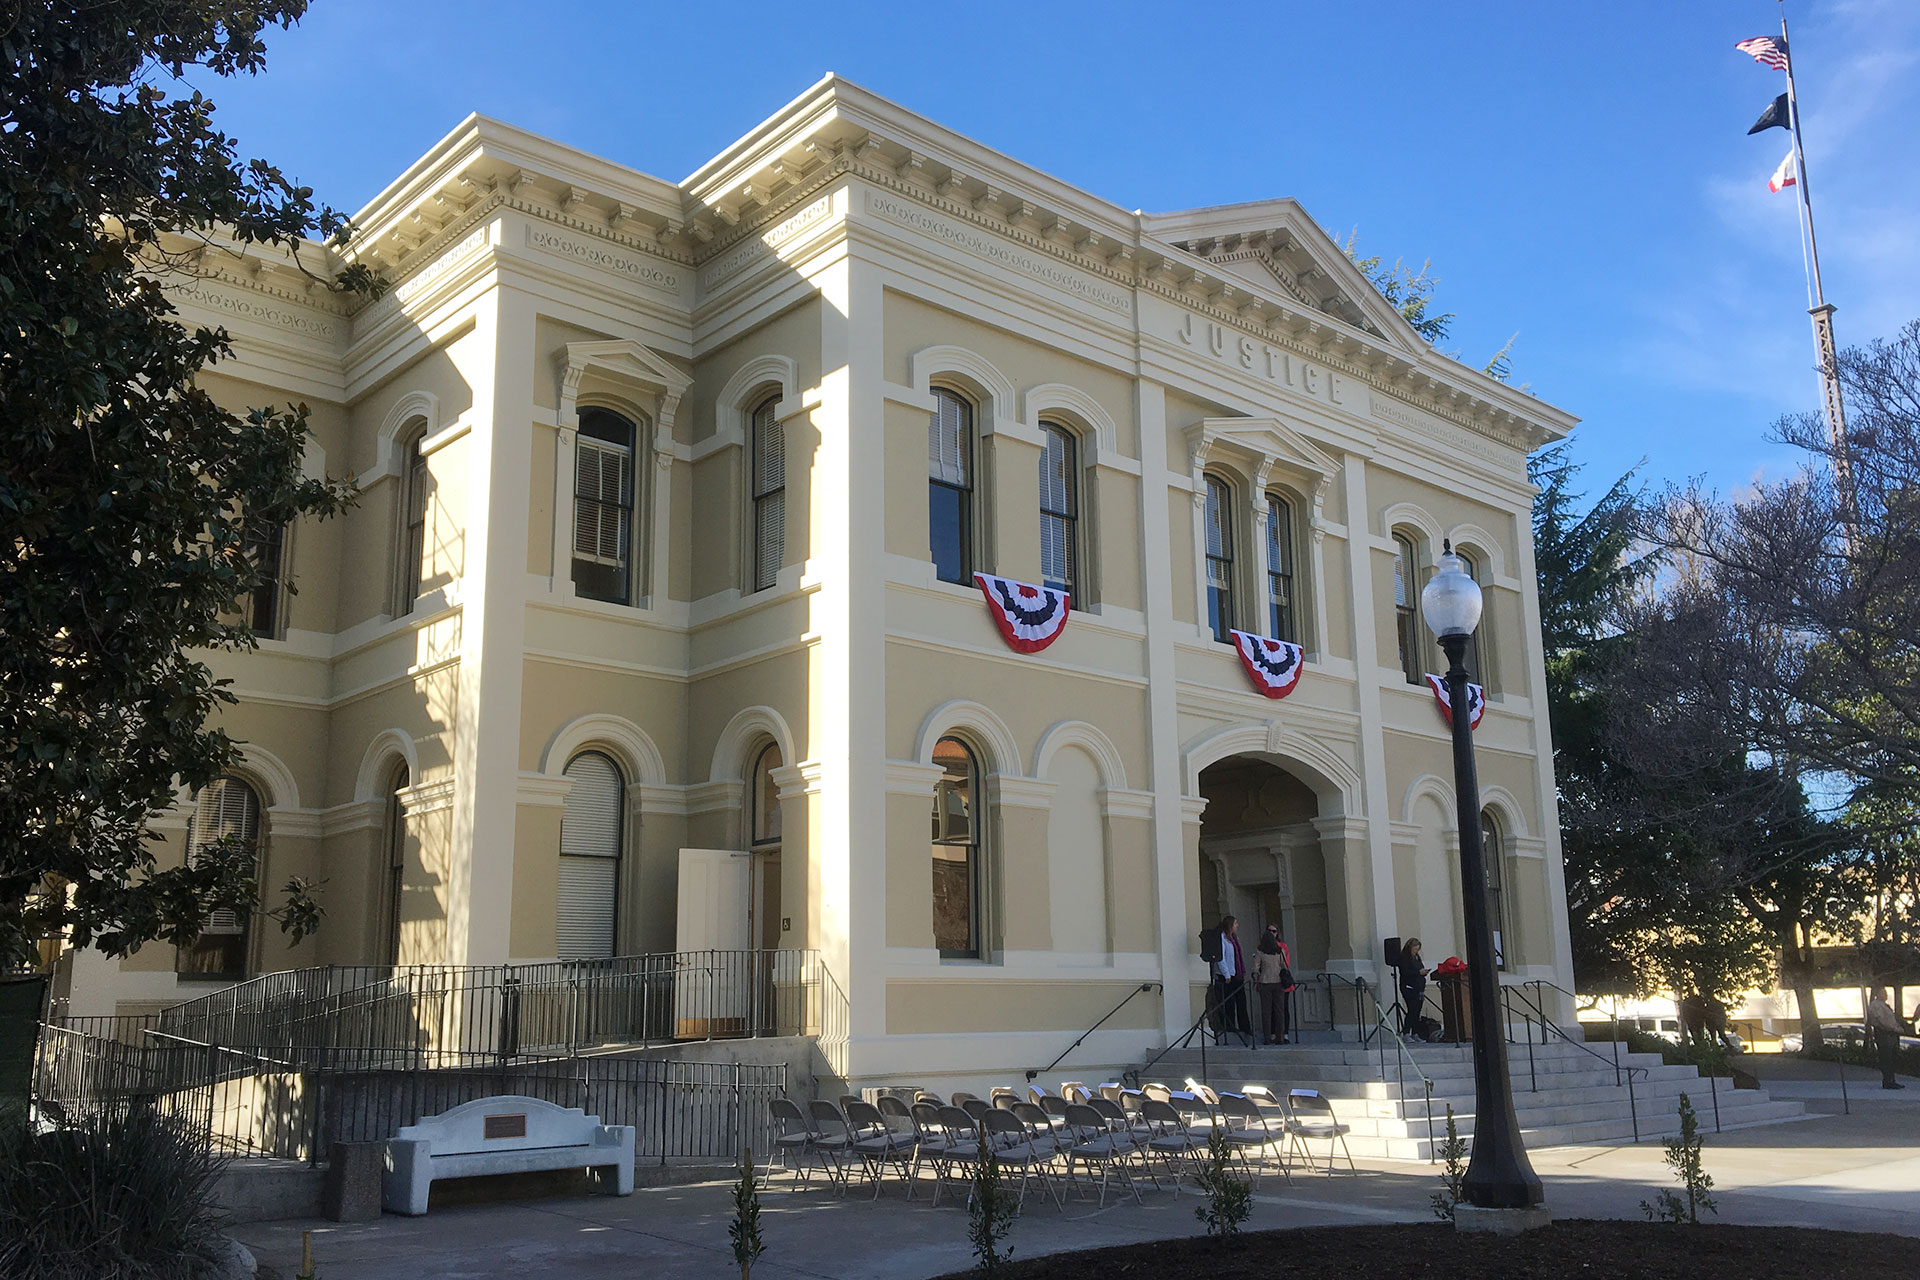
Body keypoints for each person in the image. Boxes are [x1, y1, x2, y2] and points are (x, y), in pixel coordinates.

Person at [1207, 914, 1251, 1045]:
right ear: (1230, 925)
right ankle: (1230, 1026)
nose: (1237, 926)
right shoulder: (1222, 938)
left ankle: (1245, 1027)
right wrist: (1226, 974)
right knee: (1229, 1003)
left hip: (1237, 974)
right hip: (1227, 976)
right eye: (1235, 923)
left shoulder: (1234, 939)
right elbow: (1221, 958)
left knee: (1241, 1002)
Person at [1253, 924, 1294, 1045]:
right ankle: (1280, 1037)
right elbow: (1285, 965)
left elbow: (1255, 968)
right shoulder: (1279, 950)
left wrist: (1258, 971)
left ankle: (1267, 1038)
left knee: (1266, 1011)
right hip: (1278, 983)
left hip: (1265, 982)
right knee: (1279, 1011)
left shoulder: (1260, 951)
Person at [1866, 986, 1906, 1090]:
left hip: (1891, 1034)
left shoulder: (1884, 1005)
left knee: (1893, 1058)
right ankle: (1887, 1081)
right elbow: (1881, 1021)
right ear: (1877, 994)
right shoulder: (1876, 1005)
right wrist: (1894, 1028)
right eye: (1883, 992)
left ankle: (1892, 1080)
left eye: (1886, 992)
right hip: (1884, 1034)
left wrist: (1898, 1026)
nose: (1886, 994)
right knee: (1886, 1058)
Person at [1395, 938, 1429, 1037]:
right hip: (1409, 986)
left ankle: (1415, 1033)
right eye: (1415, 949)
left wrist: (1423, 972)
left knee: (1417, 1010)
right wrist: (1418, 972)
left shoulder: (1417, 958)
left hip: (1419, 987)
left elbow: (1419, 968)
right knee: (1412, 1009)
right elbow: (1405, 972)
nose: (1416, 951)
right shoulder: (1404, 958)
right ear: (1410, 947)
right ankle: (1406, 1032)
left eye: (1417, 949)